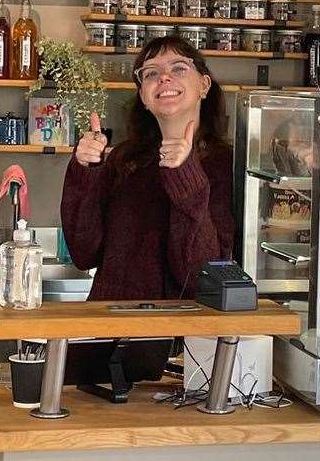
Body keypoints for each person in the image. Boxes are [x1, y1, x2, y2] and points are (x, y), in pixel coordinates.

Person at [61, 35, 235, 300]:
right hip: (109, 331)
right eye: (151, 73)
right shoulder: (124, 159)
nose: (164, 77)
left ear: (204, 84)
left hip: (186, 336)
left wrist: (184, 174)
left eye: (178, 68)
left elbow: (200, 276)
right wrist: (85, 171)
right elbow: (84, 254)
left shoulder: (226, 164)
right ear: (143, 96)